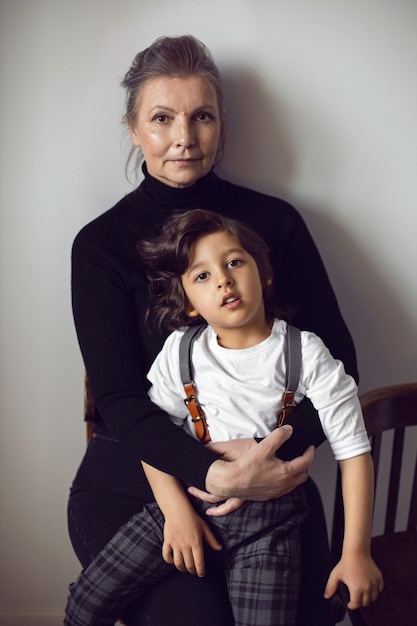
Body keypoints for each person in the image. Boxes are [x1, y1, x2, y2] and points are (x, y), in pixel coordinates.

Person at [68, 35, 360, 626]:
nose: (184, 137)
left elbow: (342, 363)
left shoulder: (276, 223)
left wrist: (263, 461)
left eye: (202, 116)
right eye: (161, 118)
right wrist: (208, 475)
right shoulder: (99, 246)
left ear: (222, 122)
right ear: (133, 128)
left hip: (272, 480)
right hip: (137, 478)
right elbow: (121, 398)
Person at [64, 210, 383, 626]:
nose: (222, 280)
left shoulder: (308, 354)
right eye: (201, 276)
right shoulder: (180, 352)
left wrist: (356, 551)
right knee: (86, 601)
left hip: (270, 525)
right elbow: (151, 438)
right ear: (190, 305)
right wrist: (176, 513)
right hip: (185, 504)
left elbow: (354, 451)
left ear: (263, 274)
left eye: (234, 262)